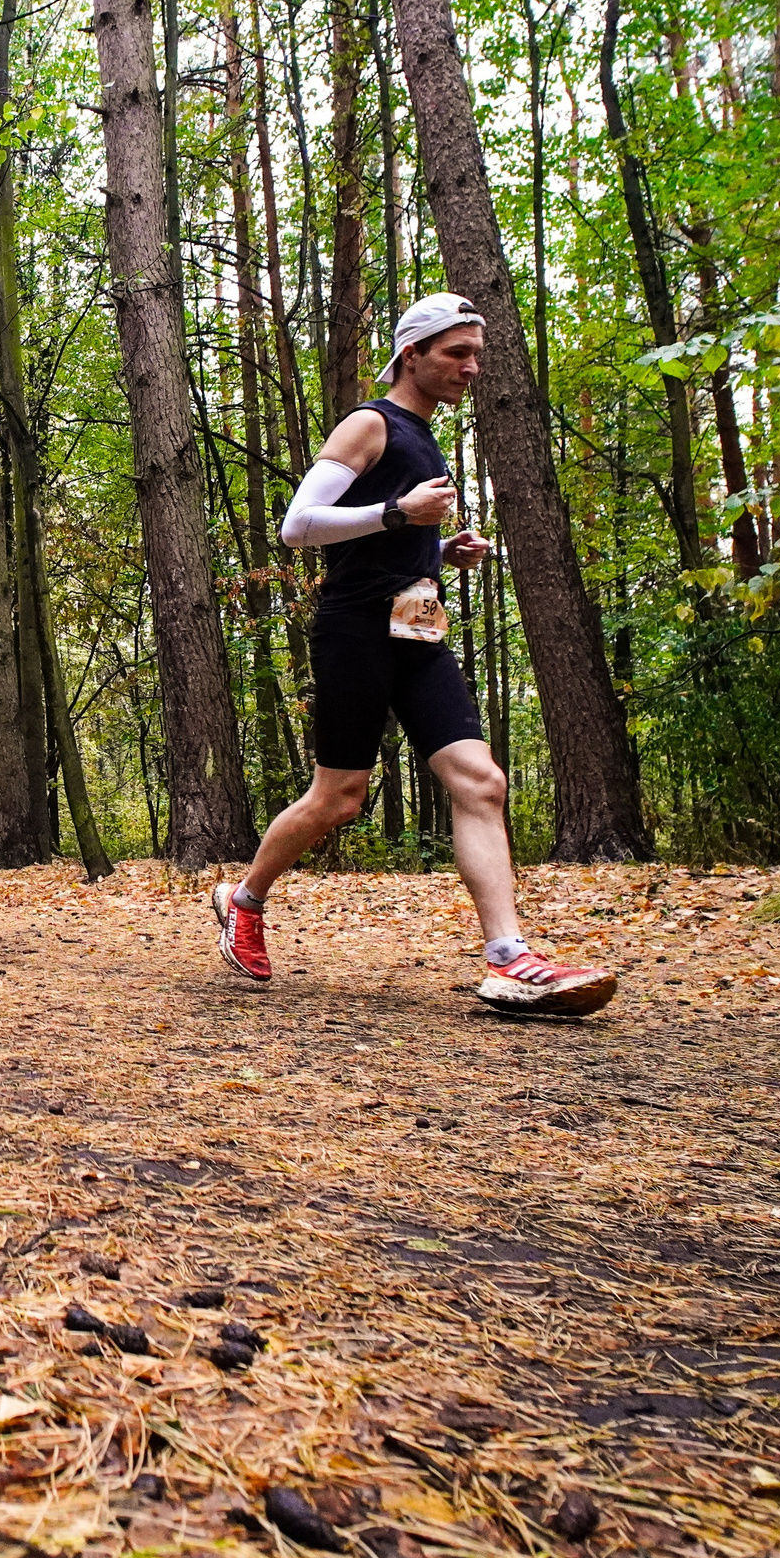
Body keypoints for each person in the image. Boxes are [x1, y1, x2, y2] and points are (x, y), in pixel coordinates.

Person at [211, 293, 617, 1016]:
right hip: (356, 629)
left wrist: (436, 548)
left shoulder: (426, 435)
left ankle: (508, 956)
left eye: (476, 353)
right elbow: (297, 526)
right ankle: (243, 898)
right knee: (338, 798)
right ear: (412, 354)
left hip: (418, 629)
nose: (472, 367)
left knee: (480, 779)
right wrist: (399, 513)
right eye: (456, 352)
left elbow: (386, 534)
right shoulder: (372, 423)